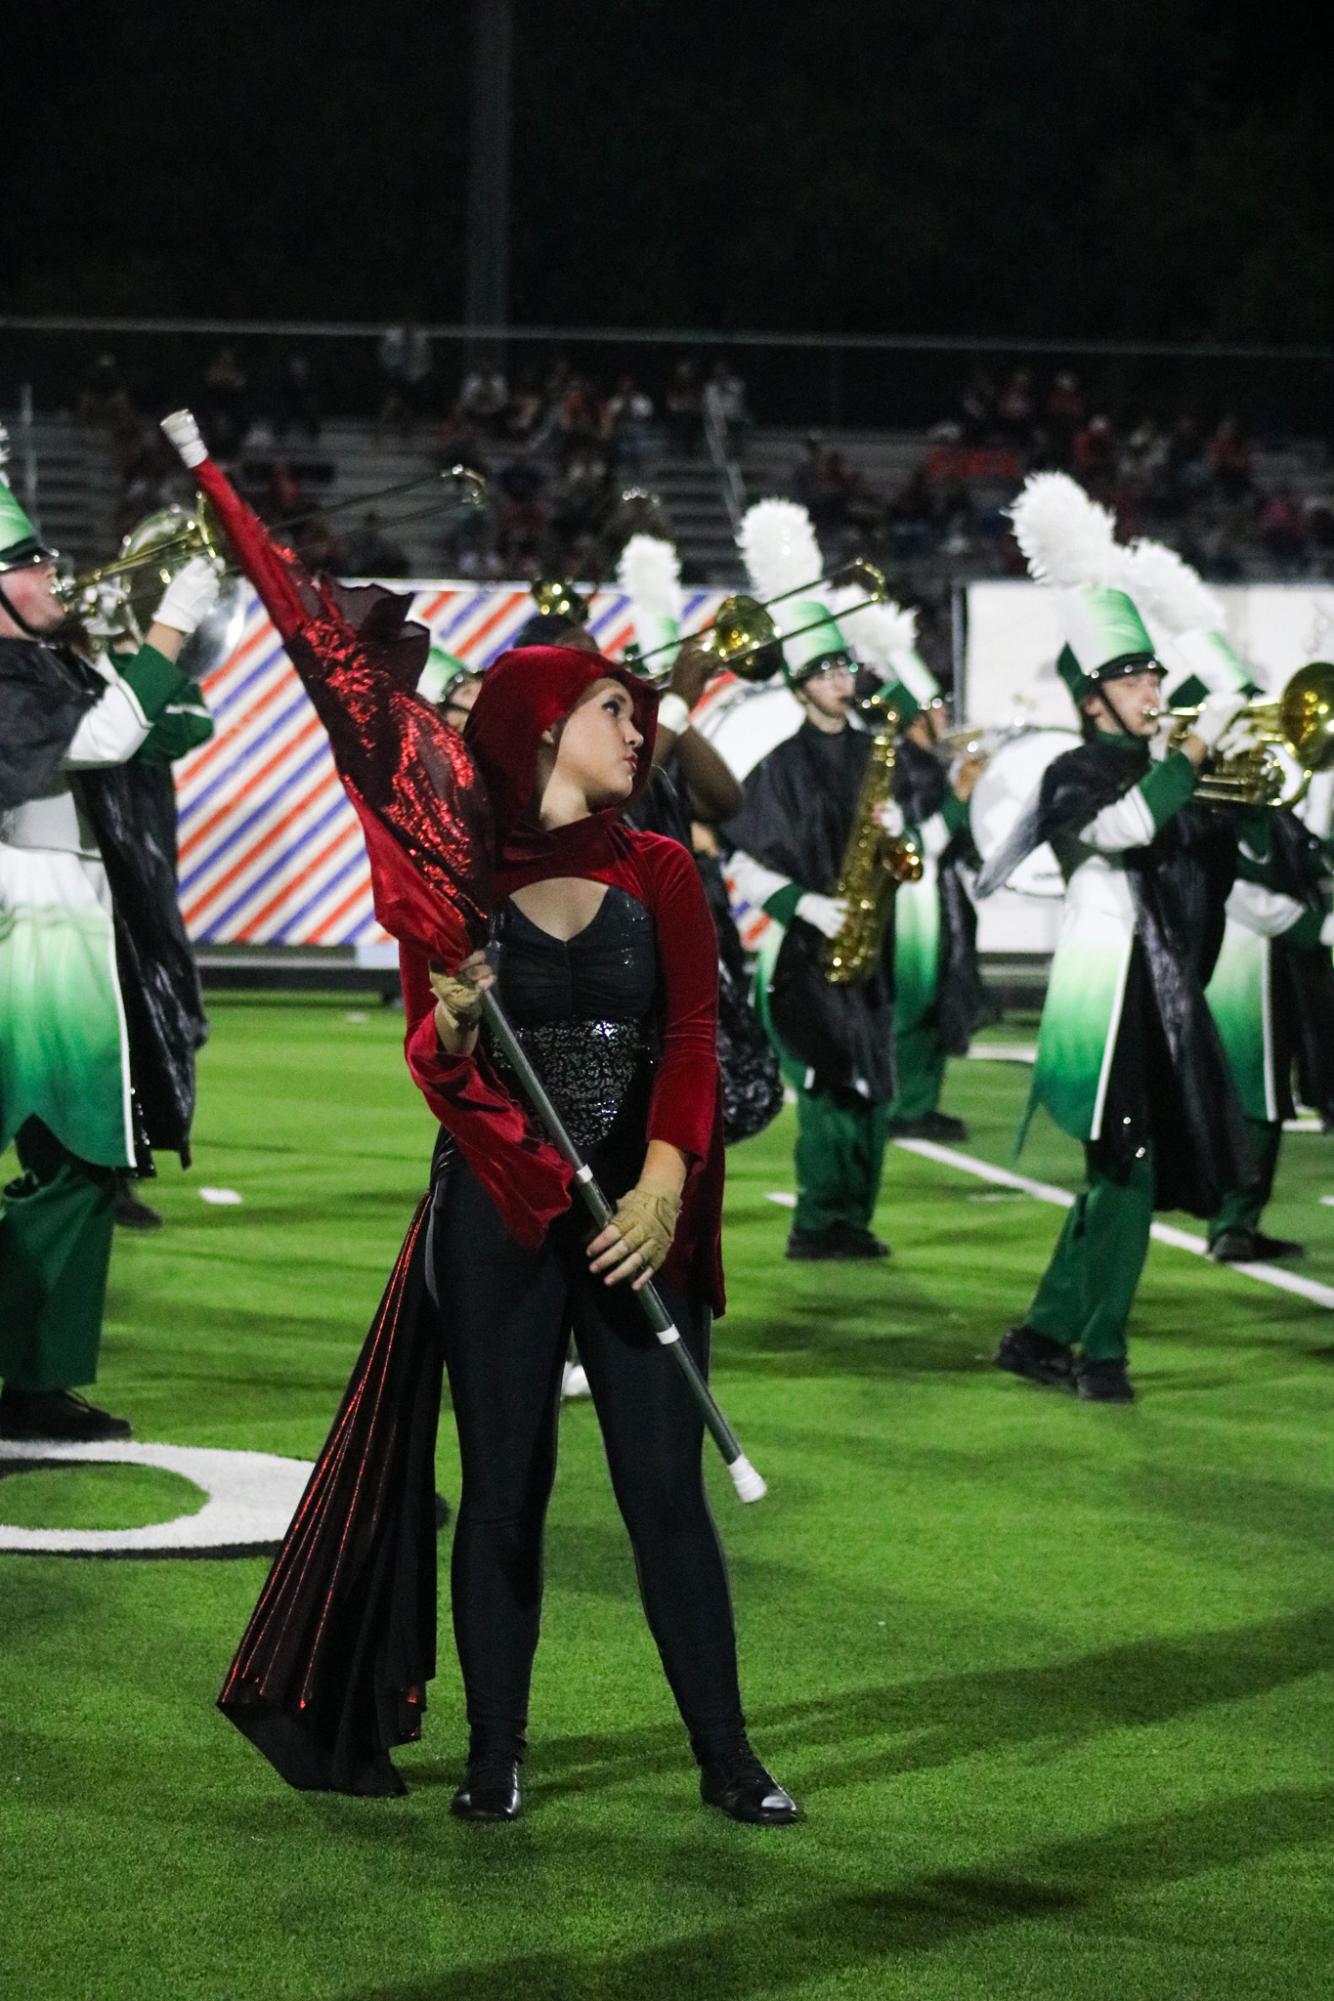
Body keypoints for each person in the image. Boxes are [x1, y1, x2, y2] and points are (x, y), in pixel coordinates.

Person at [168, 411, 798, 1824]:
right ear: (538, 727)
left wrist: (660, 1185)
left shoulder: (660, 870)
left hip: (635, 1215)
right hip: (501, 1211)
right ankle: (495, 1752)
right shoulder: (450, 878)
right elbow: (433, 1057)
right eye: (612, 711)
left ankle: (726, 1755)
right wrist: (451, 1014)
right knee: (500, 1488)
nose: (637, 727)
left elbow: (690, 1035)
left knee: (662, 1496)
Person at [980, 476, 1249, 1403]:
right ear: (1093, 696)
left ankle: (1048, 1332)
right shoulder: (1075, 769)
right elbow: (1123, 828)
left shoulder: (1161, 766)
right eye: (1132, 676)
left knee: (1119, 1170)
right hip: (1108, 991)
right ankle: (1102, 1351)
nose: (1151, 686)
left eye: (1152, 673)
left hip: (1164, 989)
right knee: (1126, 1167)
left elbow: (1225, 853)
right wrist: (1190, 760)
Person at [0, 469, 219, 1440]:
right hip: (24, 926)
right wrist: (168, 625)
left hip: (74, 928)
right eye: (29, 562)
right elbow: (101, 738)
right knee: (70, 1156)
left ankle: (36, 1381)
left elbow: (178, 723)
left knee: (80, 1163)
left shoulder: (56, 666)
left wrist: (130, 638)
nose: (53, 570)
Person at [725, 596, 905, 1260]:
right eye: (826, 673)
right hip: (810, 946)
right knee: (831, 1078)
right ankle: (817, 1221)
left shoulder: (876, 750)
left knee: (876, 1080)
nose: (841, 682)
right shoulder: (779, 766)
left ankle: (855, 1217)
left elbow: (913, 851)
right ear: (801, 687)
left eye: (845, 669)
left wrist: (899, 835)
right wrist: (803, 903)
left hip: (873, 935)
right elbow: (741, 857)